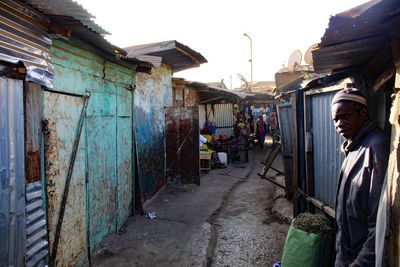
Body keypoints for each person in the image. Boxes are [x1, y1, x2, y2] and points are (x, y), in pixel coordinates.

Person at [331, 88, 389, 267]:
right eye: (335, 119)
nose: (339, 124)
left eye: (345, 116)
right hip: (346, 256)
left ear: (363, 113)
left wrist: (361, 263)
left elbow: (379, 221)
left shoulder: (376, 148)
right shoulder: (353, 147)